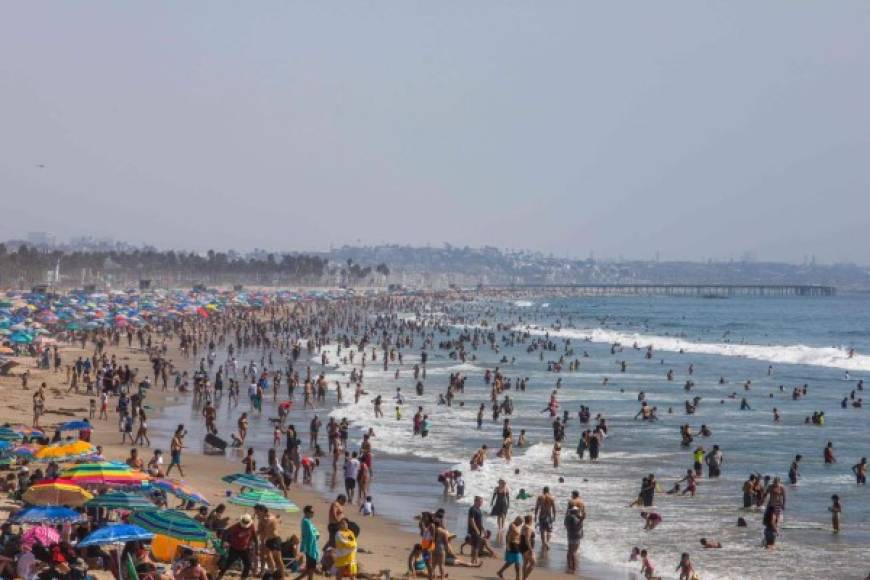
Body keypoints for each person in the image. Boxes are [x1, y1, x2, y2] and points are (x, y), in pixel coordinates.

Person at [217, 514, 257, 580]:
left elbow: (255, 538)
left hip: (245, 549)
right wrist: (222, 543)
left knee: (248, 564)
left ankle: (243, 578)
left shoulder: (251, 526)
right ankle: (219, 577)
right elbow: (225, 532)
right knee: (228, 564)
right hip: (234, 549)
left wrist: (256, 549)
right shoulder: (236, 527)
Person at [256, 504, 284, 578]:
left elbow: (269, 522)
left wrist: (262, 520)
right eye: (255, 511)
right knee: (267, 556)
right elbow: (259, 531)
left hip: (275, 539)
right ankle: (273, 572)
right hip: (268, 540)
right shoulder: (262, 519)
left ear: (262, 511)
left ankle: (282, 576)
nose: (256, 513)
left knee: (278, 559)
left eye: (257, 511)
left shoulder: (270, 517)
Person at [296, 506, 320, 580]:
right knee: (311, 569)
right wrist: (304, 549)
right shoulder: (306, 522)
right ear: (307, 512)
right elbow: (307, 535)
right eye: (311, 512)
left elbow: (314, 533)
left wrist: (317, 534)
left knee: (310, 569)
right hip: (310, 548)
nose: (313, 513)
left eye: (313, 512)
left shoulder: (308, 521)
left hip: (313, 548)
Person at [564, 506, 583, 573]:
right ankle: (574, 568)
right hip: (576, 535)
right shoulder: (575, 518)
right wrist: (581, 519)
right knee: (574, 552)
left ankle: (569, 566)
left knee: (569, 551)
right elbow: (578, 526)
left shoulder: (567, 517)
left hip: (570, 535)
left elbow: (565, 525)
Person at [467, 496, 485, 565]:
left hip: (478, 530)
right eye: (480, 502)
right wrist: (477, 530)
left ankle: (474, 560)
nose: (481, 503)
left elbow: (479, 521)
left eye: (482, 502)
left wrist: (483, 529)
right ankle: (474, 560)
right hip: (474, 530)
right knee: (475, 546)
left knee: (476, 546)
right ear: (476, 501)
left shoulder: (479, 509)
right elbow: (471, 520)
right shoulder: (472, 509)